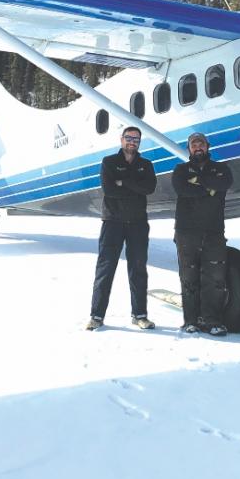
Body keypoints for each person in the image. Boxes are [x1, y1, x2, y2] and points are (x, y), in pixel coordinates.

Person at [86, 126, 157, 331]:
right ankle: (96, 316)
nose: (132, 142)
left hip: (138, 223)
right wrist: (134, 186)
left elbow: (149, 188)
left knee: (138, 270)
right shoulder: (109, 162)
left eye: (136, 139)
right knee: (105, 269)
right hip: (112, 222)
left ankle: (140, 315)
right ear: (121, 139)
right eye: (128, 138)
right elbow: (109, 190)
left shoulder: (146, 164)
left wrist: (122, 182)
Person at [170, 132, 234, 336]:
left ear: (207, 146)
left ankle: (212, 320)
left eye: (201, 144)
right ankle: (191, 320)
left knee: (215, 277)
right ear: (189, 148)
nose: (198, 147)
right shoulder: (180, 170)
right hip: (186, 231)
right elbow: (183, 189)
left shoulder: (221, 169)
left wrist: (198, 182)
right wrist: (209, 188)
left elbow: (224, 184)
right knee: (189, 277)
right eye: (193, 144)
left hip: (214, 231)